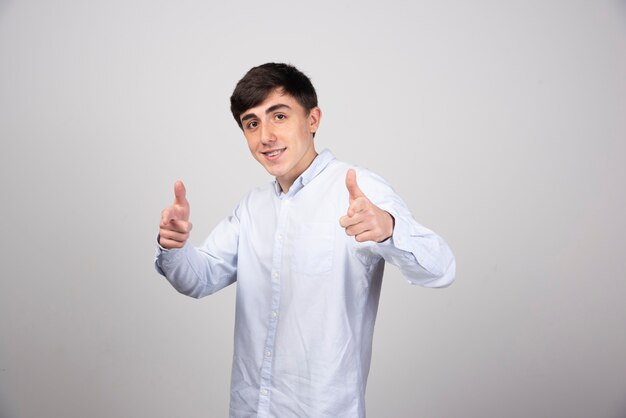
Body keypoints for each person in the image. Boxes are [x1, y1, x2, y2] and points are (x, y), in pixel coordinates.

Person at [155, 62, 455, 417]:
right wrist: (173, 247)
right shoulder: (253, 207)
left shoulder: (357, 189)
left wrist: (390, 228)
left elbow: (441, 269)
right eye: (252, 123)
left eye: (278, 116)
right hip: (250, 408)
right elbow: (199, 279)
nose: (265, 136)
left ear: (313, 120)